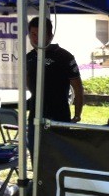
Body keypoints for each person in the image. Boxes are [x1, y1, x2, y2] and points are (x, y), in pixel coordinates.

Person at [26, 17, 84, 156]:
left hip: (59, 116)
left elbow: (78, 88)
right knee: (36, 157)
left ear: (50, 36)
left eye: (41, 34)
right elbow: (28, 82)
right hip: (35, 117)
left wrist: (77, 115)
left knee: (59, 157)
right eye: (33, 34)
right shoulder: (29, 57)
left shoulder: (64, 56)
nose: (36, 38)